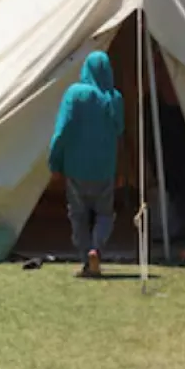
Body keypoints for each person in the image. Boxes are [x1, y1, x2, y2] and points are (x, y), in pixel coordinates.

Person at [48, 51, 125, 278]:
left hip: (76, 168)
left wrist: (55, 161)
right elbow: (119, 130)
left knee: (78, 215)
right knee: (104, 214)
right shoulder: (114, 97)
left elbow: (62, 131)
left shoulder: (75, 94)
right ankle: (96, 249)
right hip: (105, 167)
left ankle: (85, 258)